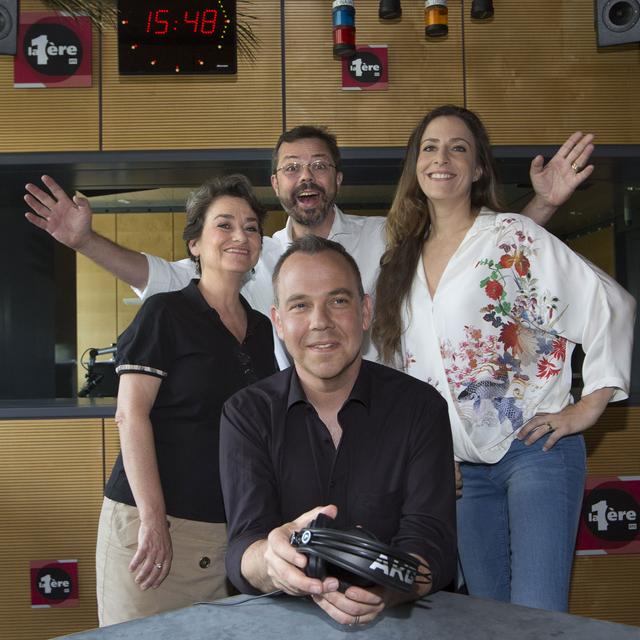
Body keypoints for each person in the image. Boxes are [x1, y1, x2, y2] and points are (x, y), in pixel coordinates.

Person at [372, 105, 636, 612]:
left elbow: (611, 305)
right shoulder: (400, 262)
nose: (441, 158)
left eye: (458, 147)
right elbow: (401, 374)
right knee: (488, 617)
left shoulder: (513, 237)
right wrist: (426, 456)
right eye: (429, 147)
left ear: (478, 169)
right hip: (460, 473)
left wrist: (589, 405)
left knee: (535, 615)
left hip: (533, 451)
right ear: (415, 166)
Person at [24, 126, 596, 327]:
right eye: (293, 168)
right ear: (276, 185)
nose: (307, 177)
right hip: (292, 433)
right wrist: (85, 241)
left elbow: (478, 252)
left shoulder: (383, 237)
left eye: (319, 166)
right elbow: (166, 278)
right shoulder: (253, 256)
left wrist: (540, 207)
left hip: (385, 425)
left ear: (338, 179)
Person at [218, 235, 457, 627]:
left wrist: (384, 585)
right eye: (300, 305)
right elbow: (244, 545)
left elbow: (434, 544)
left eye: (338, 301)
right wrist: (272, 561)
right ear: (278, 322)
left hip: (405, 622)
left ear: (365, 312)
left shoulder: (421, 408)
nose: (320, 322)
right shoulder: (246, 414)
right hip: (283, 625)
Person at [96, 175, 277, 625]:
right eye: (225, 224)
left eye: (252, 227)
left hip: (228, 537)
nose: (241, 236)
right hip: (155, 530)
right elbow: (130, 415)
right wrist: (154, 522)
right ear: (194, 243)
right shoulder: (165, 312)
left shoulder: (261, 329)